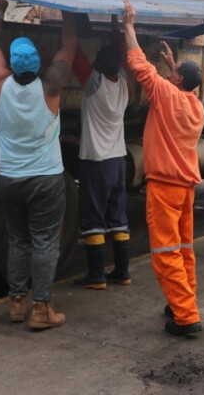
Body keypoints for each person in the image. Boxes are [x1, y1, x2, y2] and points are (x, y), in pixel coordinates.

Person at [0, 0, 76, 330]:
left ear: (11, 64)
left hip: (10, 179)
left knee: (18, 240)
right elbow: (68, 48)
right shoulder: (50, 87)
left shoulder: (0, 84)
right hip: (47, 179)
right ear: (39, 64)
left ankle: (15, 303)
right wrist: (68, 12)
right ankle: (41, 309)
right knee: (44, 242)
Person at [122, 0, 204, 337]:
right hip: (185, 187)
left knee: (166, 252)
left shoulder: (165, 94)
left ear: (176, 79)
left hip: (164, 187)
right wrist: (175, 66)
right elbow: (179, 86)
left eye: (173, 72)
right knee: (183, 250)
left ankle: (186, 317)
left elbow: (140, 66)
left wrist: (129, 27)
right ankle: (181, 303)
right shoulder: (195, 106)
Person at [70, 16, 131, 289]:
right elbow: (119, 51)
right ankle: (122, 272)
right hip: (118, 159)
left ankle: (96, 276)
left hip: (96, 160)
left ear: (97, 66)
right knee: (118, 216)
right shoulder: (124, 83)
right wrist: (115, 23)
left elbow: (75, 56)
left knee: (93, 218)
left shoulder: (94, 84)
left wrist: (67, 18)